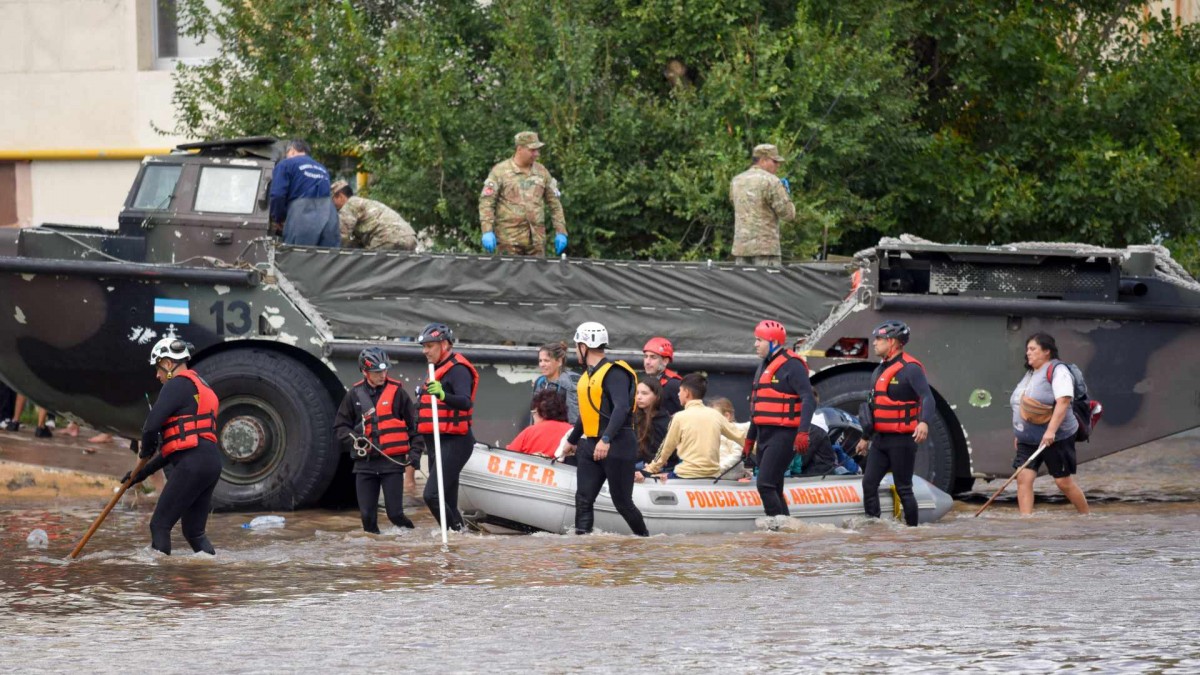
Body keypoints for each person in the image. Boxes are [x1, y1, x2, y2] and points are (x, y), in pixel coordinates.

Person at [121, 337, 222, 555]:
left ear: (168, 364)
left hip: (192, 465)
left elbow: (150, 428)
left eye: (158, 368)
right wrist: (140, 473)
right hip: (211, 464)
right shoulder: (202, 387)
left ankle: (159, 582)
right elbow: (177, 448)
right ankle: (209, 578)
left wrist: (145, 450)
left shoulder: (176, 384)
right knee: (194, 533)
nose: (157, 375)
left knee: (159, 525)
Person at [563, 322, 650, 536]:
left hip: (617, 443)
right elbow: (587, 415)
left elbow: (621, 407)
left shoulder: (615, 373)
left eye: (577, 345)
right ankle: (583, 547)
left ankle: (645, 541)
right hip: (591, 443)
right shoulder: (587, 377)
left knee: (622, 502)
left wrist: (607, 439)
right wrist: (572, 441)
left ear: (584, 346)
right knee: (583, 498)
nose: (576, 350)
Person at [333, 347, 425, 533]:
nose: (383, 375)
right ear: (365, 372)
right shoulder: (354, 395)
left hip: (391, 465)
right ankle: (374, 557)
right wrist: (355, 439)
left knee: (395, 514)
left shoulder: (398, 394)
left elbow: (415, 427)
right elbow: (340, 427)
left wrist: (415, 452)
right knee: (367, 518)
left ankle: (413, 542)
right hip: (365, 466)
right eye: (377, 372)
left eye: (385, 370)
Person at [855, 320, 936, 527]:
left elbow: (927, 397)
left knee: (903, 488)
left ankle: (912, 532)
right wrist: (865, 438)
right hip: (880, 440)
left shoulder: (910, 369)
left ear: (893, 342)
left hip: (902, 441)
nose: (874, 343)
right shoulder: (880, 370)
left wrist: (924, 422)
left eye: (879, 339)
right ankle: (874, 527)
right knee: (869, 483)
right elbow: (873, 407)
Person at [1010, 332, 1090, 515]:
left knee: (1063, 482)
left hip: (1055, 436)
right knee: (1023, 477)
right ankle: (1026, 522)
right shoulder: (1030, 373)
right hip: (1028, 439)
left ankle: (1086, 516)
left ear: (1046, 351)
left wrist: (1051, 431)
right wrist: (1020, 433)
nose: (1028, 353)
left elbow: (1063, 401)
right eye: (1027, 349)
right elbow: (1020, 403)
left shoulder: (1058, 371)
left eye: (1033, 349)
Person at [745, 320, 815, 520]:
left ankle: (777, 529)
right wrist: (750, 439)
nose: (755, 344)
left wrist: (803, 432)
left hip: (784, 435)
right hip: (765, 435)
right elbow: (758, 408)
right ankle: (786, 533)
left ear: (773, 341)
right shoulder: (764, 366)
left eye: (759, 340)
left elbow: (808, 398)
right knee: (774, 485)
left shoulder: (792, 365)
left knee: (764, 484)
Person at [415, 322, 478, 532]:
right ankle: (458, 539)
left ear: (444, 344)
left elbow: (465, 401)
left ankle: (454, 535)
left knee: (431, 495)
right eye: (423, 346)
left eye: (429, 346)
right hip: (435, 442)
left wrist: (443, 395)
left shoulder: (458, 369)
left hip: (455, 442)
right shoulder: (435, 368)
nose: (425, 351)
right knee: (447, 501)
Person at [478, 131, 568, 256]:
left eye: (537, 150)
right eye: (532, 150)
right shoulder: (500, 171)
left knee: (536, 275)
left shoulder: (542, 172)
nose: (536, 154)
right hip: (509, 242)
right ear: (520, 149)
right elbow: (487, 202)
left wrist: (561, 232)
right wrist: (487, 230)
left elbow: (555, 204)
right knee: (509, 275)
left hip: (536, 242)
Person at [640, 373, 744, 480]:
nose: (678, 394)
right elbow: (741, 437)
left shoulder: (679, 417)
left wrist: (650, 469)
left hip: (686, 475)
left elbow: (665, 449)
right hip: (712, 476)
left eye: (679, 391)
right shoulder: (716, 415)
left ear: (686, 393)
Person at [730, 144, 796, 267]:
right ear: (764, 160)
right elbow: (789, 215)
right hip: (766, 251)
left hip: (741, 250)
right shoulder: (772, 181)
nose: (778, 165)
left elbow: (736, 205)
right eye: (775, 161)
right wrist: (786, 194)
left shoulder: (736, 181)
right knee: (768, 286)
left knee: (743, 286)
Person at [269, 139, 340, 247]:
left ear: (292, 150)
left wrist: (278, 218)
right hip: (329, 219)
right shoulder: (322, 168)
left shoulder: (286, 164)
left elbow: (277, 195)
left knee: (297, 258)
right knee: (327, 259)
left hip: (301, 219)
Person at [330, 180, 418, 251]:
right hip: (409, 238)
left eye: (333, 199)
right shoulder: (365, 203)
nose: (332, 204)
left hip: (387, 238)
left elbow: (341, 237)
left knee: (367, 267)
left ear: (340, 196)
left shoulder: (349, 205)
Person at [509, 389, 574, 458]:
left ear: (538, 411)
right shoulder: (573, 432)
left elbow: (508, 456)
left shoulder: (529, 432)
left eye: (533, 413)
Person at [533, 341, 580, 424]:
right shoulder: (539, 382)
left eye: (546, 361)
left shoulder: (569, 384)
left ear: (559, 361)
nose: (542, 364)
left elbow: (573, 419)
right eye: (540, 360)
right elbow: (534, 413)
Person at [633, 377, 671, 467]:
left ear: (657, 397)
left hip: (656, 467)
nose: (639, 397)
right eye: (637, 393)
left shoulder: (664, 421)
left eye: (644, 393)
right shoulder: (633, 417)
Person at [709, 397, 751, 476]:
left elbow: (737, 454)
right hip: (715, 475)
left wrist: (720, 468)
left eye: (714, 418)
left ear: (727, 416)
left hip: (730, 476)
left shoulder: (734, 432)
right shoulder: (713, 432)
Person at [642, 337, 683, 414]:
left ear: (665, 361)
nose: (647, 362)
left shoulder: (674, 384)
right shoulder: (646, 382)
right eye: (645, 356)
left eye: (653, 357)